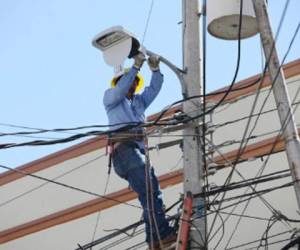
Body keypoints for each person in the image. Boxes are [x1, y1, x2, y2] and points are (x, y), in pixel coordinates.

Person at [103, 52, 176, 249]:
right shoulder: (111, 98)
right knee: (149, 192)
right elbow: (119, 91)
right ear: (121, 82)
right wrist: (135, 66)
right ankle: (161, 234)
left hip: (137, 153)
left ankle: (155, 240)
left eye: (135, 81)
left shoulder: (139, 103)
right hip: (125, 152)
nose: (133, 84)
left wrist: (155, 70)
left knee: (153, 194)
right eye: (130, 81)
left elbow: (154, 88)